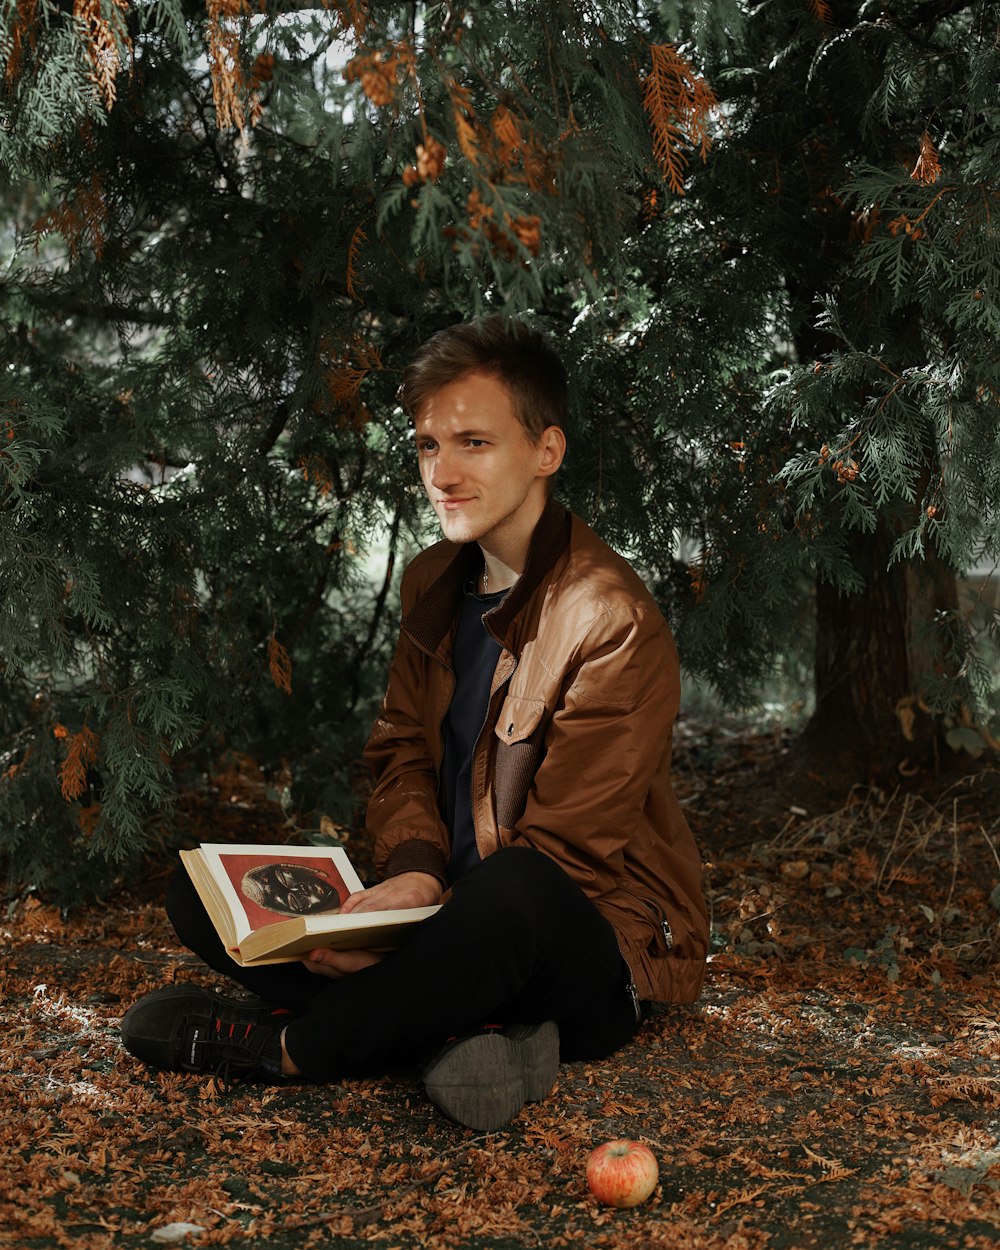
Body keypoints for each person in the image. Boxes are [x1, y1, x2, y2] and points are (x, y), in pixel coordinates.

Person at [121, 316, 709, 1130]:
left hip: (585, 944)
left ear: (547, 451)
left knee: (512, 893)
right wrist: (415, 876)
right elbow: (400, 749)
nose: (443, 473)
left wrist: (411, 940)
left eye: (473, 442)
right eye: (429, 447)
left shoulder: (609, 617)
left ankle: (295, 1049)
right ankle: (457, 1038)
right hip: (444, 912)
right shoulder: (435, 578)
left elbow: (563, 860)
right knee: (202, 889)